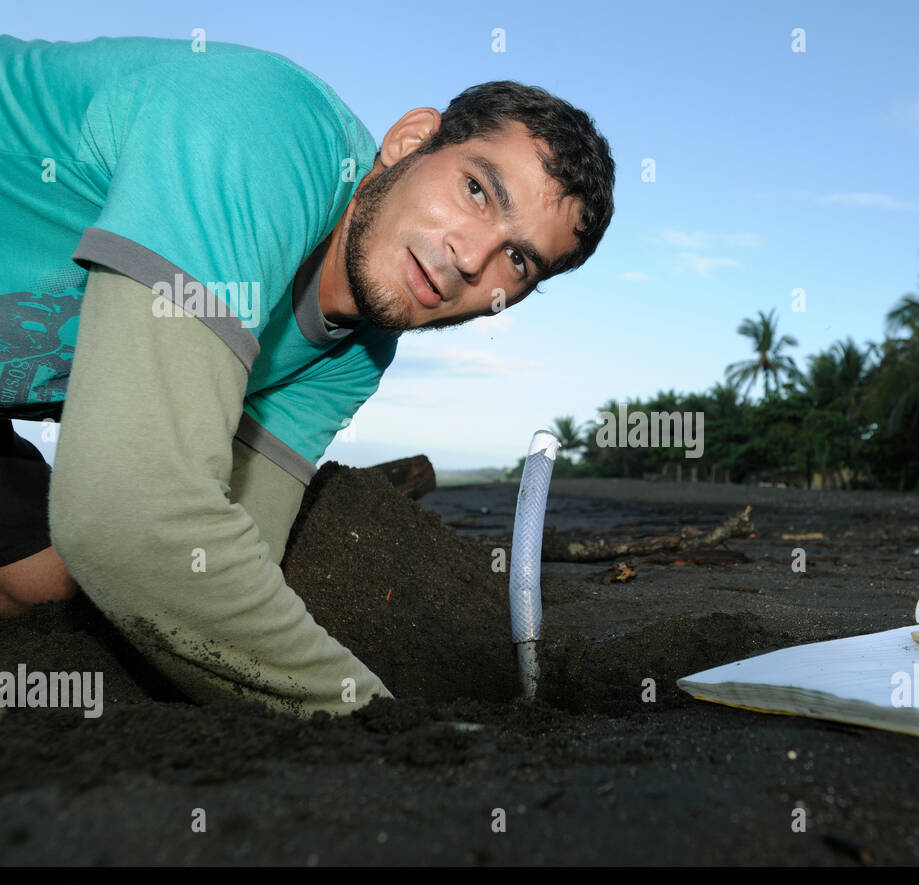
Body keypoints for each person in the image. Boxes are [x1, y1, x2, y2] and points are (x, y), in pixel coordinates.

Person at [0, 34, 615, 715]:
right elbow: (128, 512)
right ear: (411, 142)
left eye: (518, 260)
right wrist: (384, 726)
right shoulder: (261, 133)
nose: (472, 259)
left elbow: (233, 541)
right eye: (476, 190)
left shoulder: (359, 350)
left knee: (50, 586)